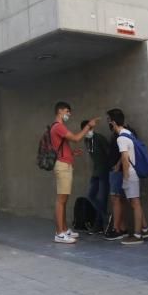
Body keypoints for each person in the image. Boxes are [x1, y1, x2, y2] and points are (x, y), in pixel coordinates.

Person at [50, 102, 98, 244]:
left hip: (65, 163)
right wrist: (88, 126)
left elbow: (61, 146)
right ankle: (59, 233)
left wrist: (71, 153)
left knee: (64, 200)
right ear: (59, 111)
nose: (69, 114)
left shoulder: (58, 127)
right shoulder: (58, 126)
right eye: (67, 111)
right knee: (61, 200)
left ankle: (64, 229)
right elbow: (76, 138)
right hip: (63, 166)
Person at [107, 109, 148, 245]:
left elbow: (125, 158)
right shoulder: (128, 133)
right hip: (134, 172)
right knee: (135, 203)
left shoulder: (121, 138)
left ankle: (137, 235)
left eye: (109, 121)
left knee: (135, 203)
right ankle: (143, 230)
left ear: (113, 122)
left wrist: (125, 177)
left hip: (130, 174)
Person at [82, 120, 111, 234]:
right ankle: (106, 218)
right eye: (86, 129)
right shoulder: (86, 140)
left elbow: (109, 154)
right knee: (91, 196)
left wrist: (109, 168)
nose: (88, 131)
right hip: (95, 172)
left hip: (104, 172)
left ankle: (100, 225)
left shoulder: (99, 138)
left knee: (102, 200)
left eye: (90, 129)